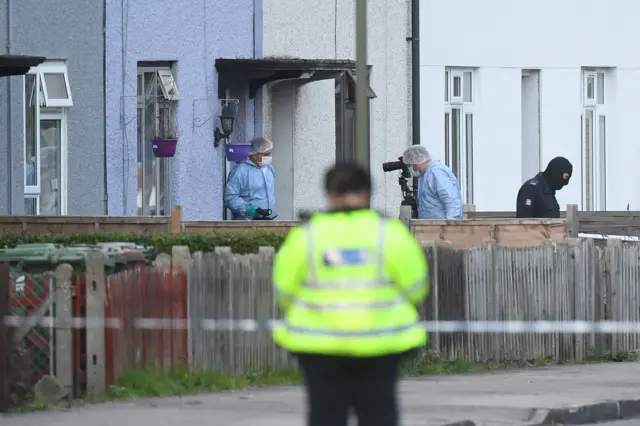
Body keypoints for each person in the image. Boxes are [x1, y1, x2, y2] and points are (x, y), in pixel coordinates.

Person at [272, 162, 429, 426]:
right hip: (381, 345)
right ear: (368, 192)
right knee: (379, 413)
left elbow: (284, 290)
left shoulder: (306, 237)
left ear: (329, 194)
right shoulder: (389, 233)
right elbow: (416, 287)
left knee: (325, 415)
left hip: (319, 346)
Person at [401, 145, 463, 219]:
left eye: (411, 164)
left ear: (418, 159)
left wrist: (450, 226)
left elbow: (452, 202)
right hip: (430, 227)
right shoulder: (424, 175)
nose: (410, 168)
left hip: (440, 227)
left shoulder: (436, 173)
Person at [224, 137, 276, 220]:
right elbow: (230, 198)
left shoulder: (269, 169)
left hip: (269, 221)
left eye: (270, 153)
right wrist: (247, 209)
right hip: (247, 223)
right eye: (266, 154)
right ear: (254, 155)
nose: (269, 157)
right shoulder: (240, 171)